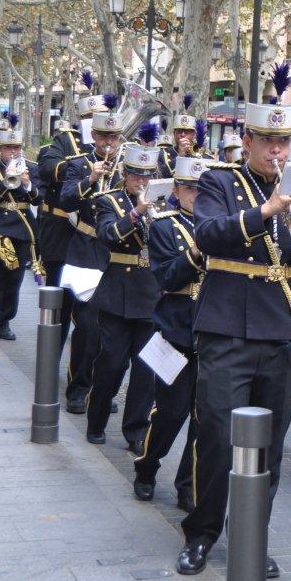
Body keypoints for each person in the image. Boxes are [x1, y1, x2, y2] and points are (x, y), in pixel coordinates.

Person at [179, 65, 291, 579]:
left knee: (269, 447)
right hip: (228, 328)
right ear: (246, 140)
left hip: (283, 330)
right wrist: (266, 211)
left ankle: (252, 539)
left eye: (283, 142)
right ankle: (201, 533)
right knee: (216, 436)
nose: (276, 152)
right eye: (266, 141)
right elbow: (212, 234)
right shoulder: (220, 181)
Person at [133, 155, 210, 512]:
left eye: (201, 188)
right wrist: (196, 254)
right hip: (177, 329)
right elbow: (167, 278)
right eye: (190, 188)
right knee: (170, 412)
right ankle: (147, 466)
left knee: (204, 418)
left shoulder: (220, 225)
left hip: (211, 330)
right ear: (176, 190)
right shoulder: (164, 226)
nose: (196, 194)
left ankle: (188, 486)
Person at [84, 142, 161, 452]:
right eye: (136, 176)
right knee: (112, 363)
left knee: (146, 371)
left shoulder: (164, 202)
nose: (141, 182)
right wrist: (137, 212)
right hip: (118, 293)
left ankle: (135, 430)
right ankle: (96, 418)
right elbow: (107, 235)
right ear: (125, 174)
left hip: (152, 294)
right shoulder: (108, 202)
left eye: (147, 176)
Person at [40, 85, 109, 413]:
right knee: (66, 314)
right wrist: (86, 170)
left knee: (101, 325)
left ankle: (96, 385)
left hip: (109, 248)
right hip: (68, 239)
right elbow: (51, 171)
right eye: (90, 118)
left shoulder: (124, 158)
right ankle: (63, 378)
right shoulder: (66, 144)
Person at [58, 100, 125, 415]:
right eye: (103, 137)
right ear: (93, 136)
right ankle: (78, 388)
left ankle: (103, 390)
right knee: (87, 327)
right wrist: (89, 179)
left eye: (114, 138)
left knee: (113, 332)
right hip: (87, 249)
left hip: (118, 255)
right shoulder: (79, 163)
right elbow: (66, 198)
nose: (109, 143)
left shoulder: (128, 165)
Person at [0, 128, 41, 344]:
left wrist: (27, 184)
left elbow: (37, 199)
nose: (13, 152)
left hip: (22, 230)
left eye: (16, 147)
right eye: (8, 148)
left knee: (14, 279)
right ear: (0, 149)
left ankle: (5, 322)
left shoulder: (31, 168)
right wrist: (5, 181)